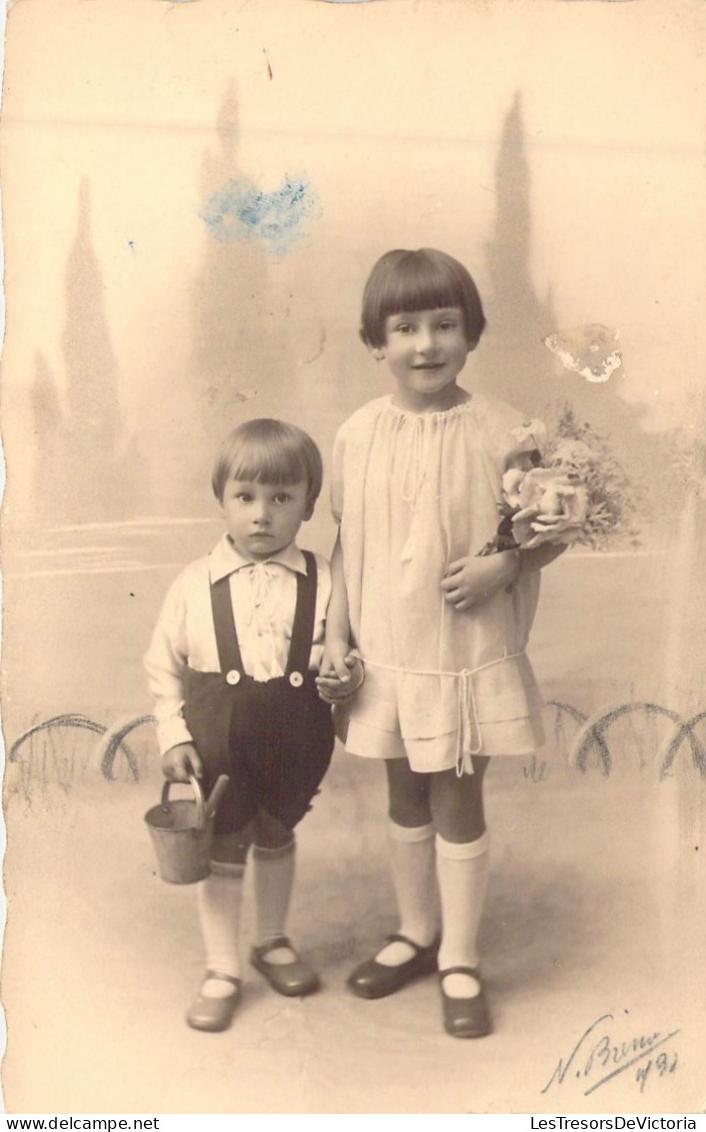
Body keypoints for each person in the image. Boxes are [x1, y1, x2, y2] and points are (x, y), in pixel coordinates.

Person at [318, 248, 564, 1039]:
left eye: (444, 324)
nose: (426, 344)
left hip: (463, 653)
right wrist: (334, 638)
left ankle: (459, 954)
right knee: (402, 794)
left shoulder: (505, 431)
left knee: (456, 795)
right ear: (375, 342)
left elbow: (550, 531)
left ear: (472, 332)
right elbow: (346, 548)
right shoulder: (356, 434)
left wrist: (506, 563)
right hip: (388, 652)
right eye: (405, 327)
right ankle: (415, 932)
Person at [144, 418, 362, 1032]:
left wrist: (345, 675)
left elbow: (347, 650)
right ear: (222, 499)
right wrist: (174, 735)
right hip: (219, 735)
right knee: (223, 842)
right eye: (245, 498)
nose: (262, 515)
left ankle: (270, 940)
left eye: (281, 498)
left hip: (297, 736)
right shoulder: (194, 585)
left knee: (275, 830)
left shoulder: (325, 582)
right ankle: (221, 967)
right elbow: (163, 666)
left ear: (309, 505)